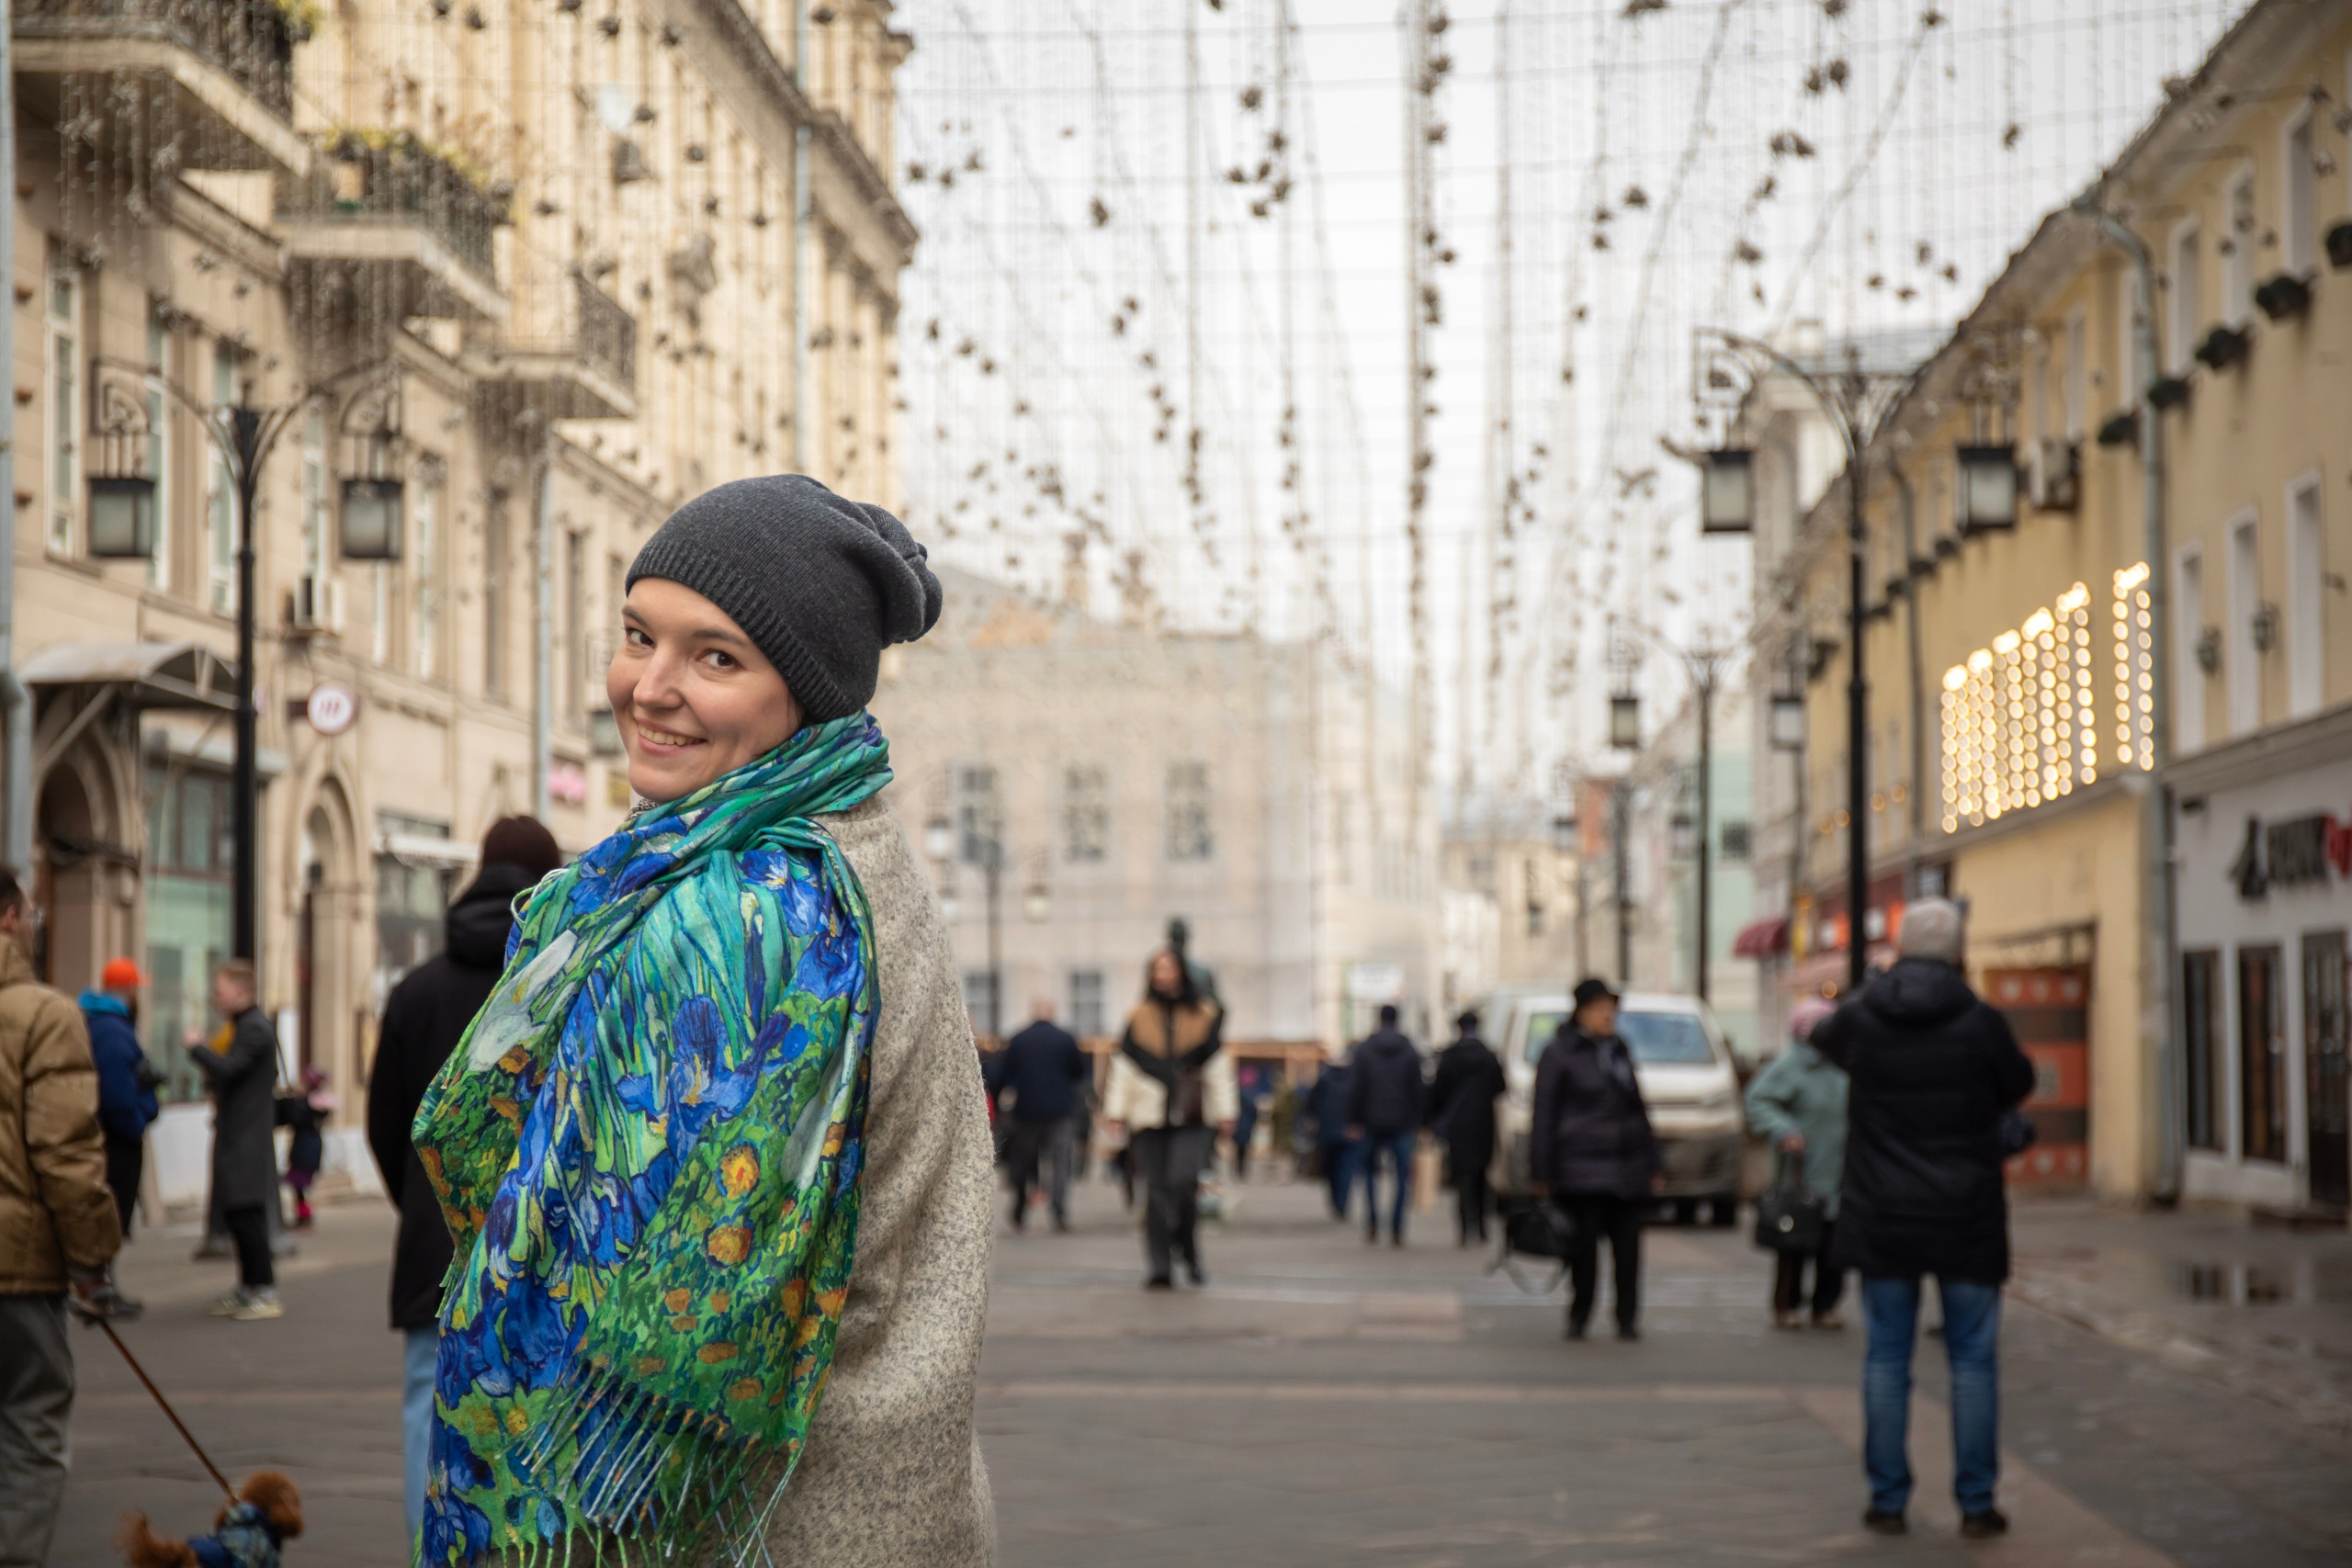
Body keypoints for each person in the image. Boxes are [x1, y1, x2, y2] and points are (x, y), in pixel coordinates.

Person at [409, 475, 993, 1564]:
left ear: (801, 692)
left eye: (715, 657)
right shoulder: (845, 844)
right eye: (639, 636)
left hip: (751, 1520)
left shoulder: (748, 913)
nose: (648, 687)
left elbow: (639, 1331)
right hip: (879, 1491)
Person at [368, 814, 565, 1542]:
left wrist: (429, 1206)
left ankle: (432, 1545)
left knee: (429, 1398)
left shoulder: (417, 990)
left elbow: (385, 1124)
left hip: (434, 1245)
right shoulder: (563, 985)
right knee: (543, 1410)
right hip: (548, 1243)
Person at [1813, 897, 2035, 1540]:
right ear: (1959, 950)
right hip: (1965, 1211)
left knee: (1886, 1357)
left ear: (1901, 948)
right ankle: (1976, 1502)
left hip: (1882, 1211)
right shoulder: (1980, 1020)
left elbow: (1824, 1040)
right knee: (1972, 1360)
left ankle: (1887, 1500)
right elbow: (2016, 1084)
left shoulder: (1865, 1015)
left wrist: (1874, 987)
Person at [0, 866, 124, 1565]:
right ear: (11, 918)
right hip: (16, 1275)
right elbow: (66, 1154)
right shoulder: (42, 1014)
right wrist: (91, 1263)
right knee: (30, 1430)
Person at [1531, 977, 1661, 1341]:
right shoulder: (1559, 1053)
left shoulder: (1619, 1049)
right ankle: (1580, 1313)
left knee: (1629, 1250)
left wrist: (1653, 1160)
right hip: (1580, 1168)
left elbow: (1637, 1107)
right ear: (1582, 1012)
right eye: (1602, 1008)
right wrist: (1541, 1170)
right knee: (1583, 1249)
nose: (1609, 1015)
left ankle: (1627, 1317)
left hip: (1626, 1165)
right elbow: (1544, 1114)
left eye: (1612, 1008)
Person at [1101, 949, 1235, 1289]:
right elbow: (1124, 1068)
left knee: (1184, 1182)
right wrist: (1116, 1112)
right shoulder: (1139, 1017)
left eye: (1169, 968)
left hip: (1192, 1113)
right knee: (1156, 1192)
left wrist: (1226, 1112)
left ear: (1181, 973)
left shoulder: (1204, 1015)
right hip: (1148, 1115)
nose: (1163, 975)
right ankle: (1160, 1266)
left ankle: (1188, 1249)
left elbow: (1218, 1067)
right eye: (1157, 969)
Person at [1743, 997, 1846, 1329]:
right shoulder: (1789, 1067)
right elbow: (1758, 1100)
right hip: (1802, 1174)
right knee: (1795, 1243)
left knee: (1834, 1248)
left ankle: (1825, 1306)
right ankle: (1787, 1305)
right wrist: (1782, 1129)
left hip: (1842, 1173)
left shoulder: (1845, 1064)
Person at [190, 960, 284, 1322]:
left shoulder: (254, 1029)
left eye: (220, 991)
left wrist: (198, 1049)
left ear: (241, 992)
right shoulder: (243, 1027)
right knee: (239, 1213)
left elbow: (230, 1070)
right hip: (238, 1134)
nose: (215, 998)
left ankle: (263, 1289)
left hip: (247, 1138)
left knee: (248, 1216)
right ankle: (249, 1287)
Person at [989, 998, 1089, 1232]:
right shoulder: (1065, 1038)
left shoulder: (1019, 1039)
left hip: (1027, 1110)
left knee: (1023, 1162)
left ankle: (1021, 1206)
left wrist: (998, 1103)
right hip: (1060, 1110)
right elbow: (1079, 1072)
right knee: (1060, 1162)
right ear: (1052, 1012)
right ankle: (1059, 1210)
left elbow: (1001, 1074)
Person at [80, 956, 160, 1236]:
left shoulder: (100, 1023)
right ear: (129, 990)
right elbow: (116, 1095)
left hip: (109, 1135)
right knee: (110, 1224)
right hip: (117, 1141)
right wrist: (136, 1122)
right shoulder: (114, 1031)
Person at [1346, 1003, 1425, 1247]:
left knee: (1369, 1174)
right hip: (1402, 1122)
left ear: (1379, 1019)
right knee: (1402, 1177)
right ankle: (1397, 1228)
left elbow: (1356, 1088)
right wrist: (1420, 1122)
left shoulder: (1364, 1050)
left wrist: (1353, 1120)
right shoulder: (1410, 1051)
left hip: (1370, 1122)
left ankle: (1372, 1223)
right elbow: (1418, 1090)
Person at [1428, 1009, 1506, 1247]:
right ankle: (1481, 1226)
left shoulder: (1450, 1056)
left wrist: (1431, 1119)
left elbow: (1437, 1091)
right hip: (1483, 1122)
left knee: (1461, 1177)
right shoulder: (1489, 1055)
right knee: (1481, 1175)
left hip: (1458, 1124)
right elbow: (1501, 1086)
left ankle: (1464, 1229)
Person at [1301, 1050, 1358, 1218]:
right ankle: (1342, 1203)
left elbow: (1311, 1104)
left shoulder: (1324, 1079)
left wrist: (1310, 1119)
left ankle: (1335, 1201)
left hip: (1327, 1131)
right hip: (1349, 1132)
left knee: (1331, 1168)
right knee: (1345, 1169)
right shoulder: (1355, 1081)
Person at [278, 1066, 334, 1229]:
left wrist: (294, 1100)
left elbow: (297, 1119)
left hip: (305, 1149)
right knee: (299, 1186)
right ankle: (303, 1215)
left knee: (300, 1185)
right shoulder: (310, 1103)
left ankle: (305, 1216)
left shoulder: (309, 1104)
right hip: (306, 1147)